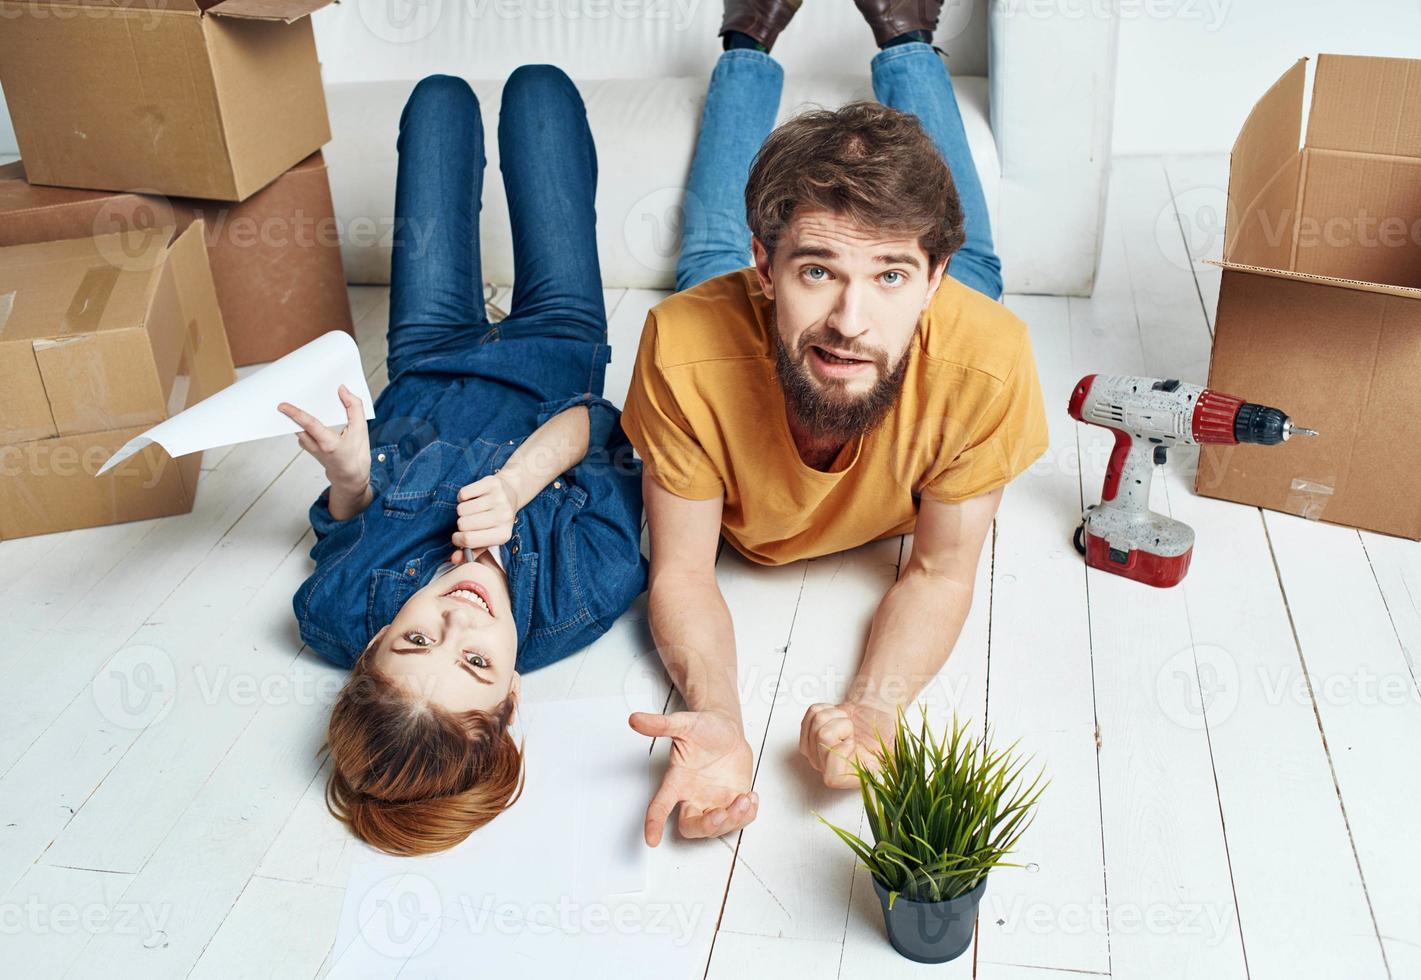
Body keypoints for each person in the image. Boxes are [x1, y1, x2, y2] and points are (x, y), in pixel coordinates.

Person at [620, 1, 1050, 845]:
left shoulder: (986, 359)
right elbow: (680, 572)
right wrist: (717, 715)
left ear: (931, 283)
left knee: (983, 276)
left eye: (893, 274)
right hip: (737, 311)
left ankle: (906, 39)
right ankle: (747, 40)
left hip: (949, 326)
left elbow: (938, 574)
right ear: (769, 267)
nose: (852, 319)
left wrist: (875, 711)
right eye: (816, 268)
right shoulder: (684, 346)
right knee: (704, 249)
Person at [281, 67, 647, 857]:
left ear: (370, 646)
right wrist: (516, 485)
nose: (460, 617)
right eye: (476, 661)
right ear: (511, 696)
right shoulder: (586, 590)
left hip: (426, 354)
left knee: (438, 99)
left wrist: (349, 476)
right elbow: (600, 423)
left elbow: (346, 529)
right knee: (539, 92)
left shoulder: (333, 614)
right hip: (554, 347)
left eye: (415, 641)